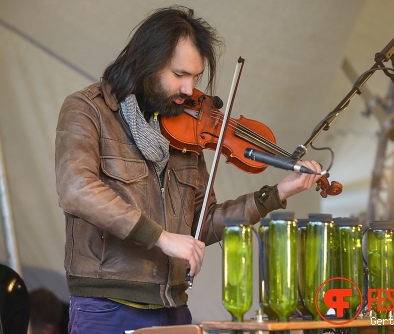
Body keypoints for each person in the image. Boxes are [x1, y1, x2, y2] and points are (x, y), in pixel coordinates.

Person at [55, 5, 323, 334]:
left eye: (195, 77)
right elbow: (77, 190)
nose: (189, 89)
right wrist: (162, 238)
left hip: (173, 307)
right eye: (180, 74)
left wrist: (276, 194)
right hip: (107, 307)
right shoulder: (87, 110)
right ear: (146, 63)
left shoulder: (185, 133)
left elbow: (204, 223)